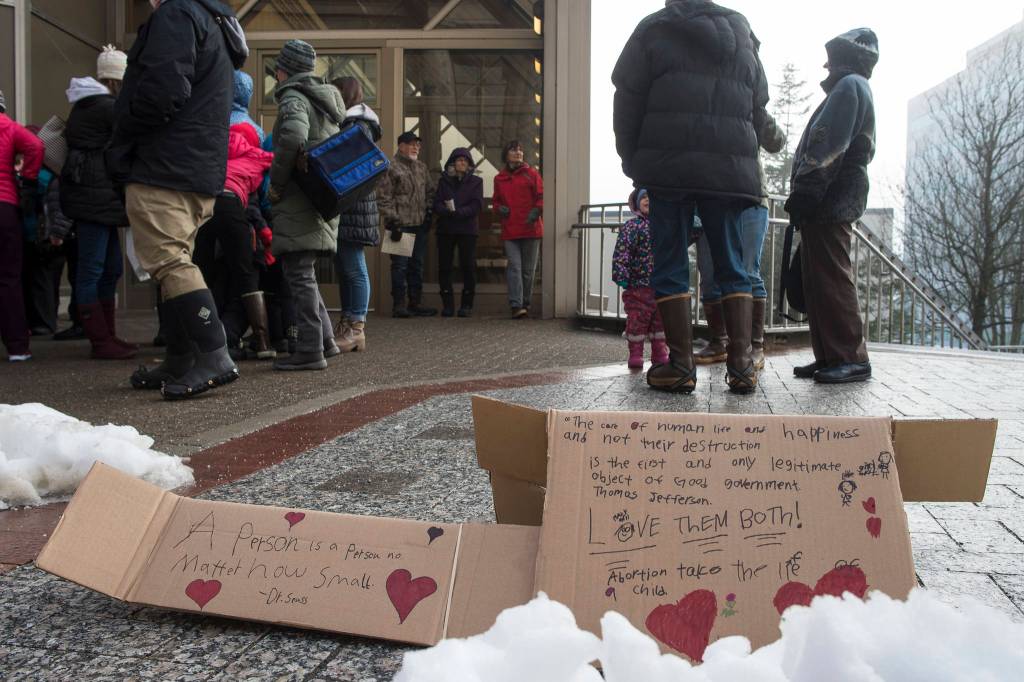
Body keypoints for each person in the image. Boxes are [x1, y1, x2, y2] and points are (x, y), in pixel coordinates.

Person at [612, 0, 772, 395]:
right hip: (727, 168)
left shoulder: (653, 29)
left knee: (669, 261)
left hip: (668, 167)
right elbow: (758, 102)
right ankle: (741, 365)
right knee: (733, 263)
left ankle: (681, 366)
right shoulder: (740, 30)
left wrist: (633, 160)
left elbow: (627, 96)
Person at [111, 0, 248, 398]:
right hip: (196, 165)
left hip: (165, 163)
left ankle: (212, 353)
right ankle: (181, 356)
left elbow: (162, 90)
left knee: (168, 260)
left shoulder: (177, 14)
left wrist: (124, 131)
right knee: (174, 260)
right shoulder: (213, 22)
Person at [786, 29, 879, 384]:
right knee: (817, 282)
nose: (826, 65)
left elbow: (828, 148)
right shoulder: (853, 87)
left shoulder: (849, 87)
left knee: (832, 280)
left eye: (831, 58)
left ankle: (850, 357)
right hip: (827, 202)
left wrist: (807, 191)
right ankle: (828, 355)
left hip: (830, 201)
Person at [267, 39, 344, 371]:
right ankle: (325, 341)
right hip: (318, 196)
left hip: (298, 198)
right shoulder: (325, 100)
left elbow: (293, 139)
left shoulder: (294, 99)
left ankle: (311, 350)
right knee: (305, 273)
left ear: (284, 70)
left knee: (298, 274)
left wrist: (276, 184)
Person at [61, 50, 137, 360]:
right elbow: (132, 132)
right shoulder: (105, 107)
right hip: (96, 197)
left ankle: (106, 336)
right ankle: (101, 340)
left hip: (95, 197)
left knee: (108, 268)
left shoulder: (87, 104)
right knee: (94, 269)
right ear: (118, 80)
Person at [694, 115, 786, 369]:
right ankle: (719, 342)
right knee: (710, 273)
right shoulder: (700, 103)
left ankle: (753, 346)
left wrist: (756, 112)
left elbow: (777, 141)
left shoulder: (748, 99)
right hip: (708, 198)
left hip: (749, 197)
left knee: (747, 271)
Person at [193, 122, 274, 360]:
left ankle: (201, 339)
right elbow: (277, 161)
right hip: (231, 205)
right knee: (245, 272)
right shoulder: (254, 154)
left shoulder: (215, 152)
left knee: (203, 273)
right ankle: (262, 341)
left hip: (203, 206)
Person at [331, 76, 381, 352]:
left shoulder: (357, 124)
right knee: (346, 267)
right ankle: (348, 323)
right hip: (352, 204)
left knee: (353, 266)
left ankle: (356, 327)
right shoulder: (357, 123)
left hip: (354, 205)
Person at [0, 88, 44, 362]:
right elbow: (36, 146)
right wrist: (28, 182)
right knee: (8, 278)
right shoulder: (9, 127)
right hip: (4, 205)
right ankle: (17, 347)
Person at [378, 131, 436, 318]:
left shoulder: (421, 168)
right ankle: (399, 305)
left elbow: (430, 192)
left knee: (416, 265)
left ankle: (415, 303)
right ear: (401, 145)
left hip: (419, 225)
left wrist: (428, 214)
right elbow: (383, 198)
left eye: (418, 145)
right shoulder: (390, 167)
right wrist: (393, 221)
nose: (416, 148)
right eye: (412, 144)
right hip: (399, 225)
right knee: (400, 266)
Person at [612, 188, 669, 369]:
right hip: (638, 285)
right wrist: (621, 275)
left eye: (652, 197)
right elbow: (622, 252)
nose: (648, 200)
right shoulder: (632, 226)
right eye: (644, 197)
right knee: (637, 319)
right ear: (636, 203)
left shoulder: (664, 225)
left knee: (660, 321)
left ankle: (660, 352)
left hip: (661, 284)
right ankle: (635, 353)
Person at [493, 140, 543, 318]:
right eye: (514, 150)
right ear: (506, 154)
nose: (518, 153)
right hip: (511, 229)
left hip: (531, 229)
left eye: (521, 150)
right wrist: (500, 209)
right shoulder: (499, 178)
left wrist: (536, 211)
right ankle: (516, 305)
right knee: (514, 267)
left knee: (528, 270)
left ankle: (525, 303)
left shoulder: (532, 174)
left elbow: (541, 196)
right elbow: (496, 201)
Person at [433, 147, 483, 318]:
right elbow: (437, 203)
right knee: (445, 268)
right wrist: (448, 212)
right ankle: (447, 306)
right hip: (446, 230)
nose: (462, 162)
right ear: (452, 162)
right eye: (458, 159)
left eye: (465, 160)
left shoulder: (477, 181)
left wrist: (458, 213)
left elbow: (477, 205)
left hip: (467, 230)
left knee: (468, 267)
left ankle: (467, 306)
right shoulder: (443, 181)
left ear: (469, 164)